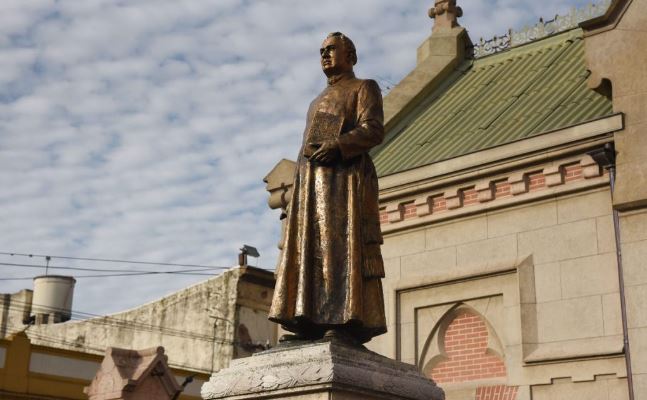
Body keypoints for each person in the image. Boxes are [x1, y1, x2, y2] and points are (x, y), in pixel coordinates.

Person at [268, 32, 387, 344]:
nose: (325, 55)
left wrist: (339, 145)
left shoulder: (364, 88)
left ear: (351, 56)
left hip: (344, 181)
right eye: (321, 50)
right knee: (311, 248)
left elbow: (373, 130)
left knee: (339, 246)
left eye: (332, 49)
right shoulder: (315, 101)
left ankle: (342, 319)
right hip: (310, 184)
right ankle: (308, 319)